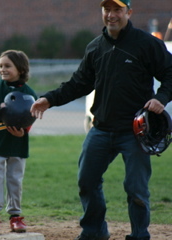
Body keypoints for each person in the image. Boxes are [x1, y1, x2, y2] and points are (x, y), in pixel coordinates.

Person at [30, 0, 172, 240]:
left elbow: (170, 74)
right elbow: (78, 84)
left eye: (118, 9)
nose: (111, 15)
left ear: (129, 12)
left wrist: (162, 97)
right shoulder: (95, 47)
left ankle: (139, 235)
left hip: (135, 131)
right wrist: (49, 99)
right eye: (107, 9)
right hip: (101, 129)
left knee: (136, 188)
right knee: (87, 180)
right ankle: (94, 231)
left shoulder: (147, 44)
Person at [0, 50, 37, 233]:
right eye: (0, 66)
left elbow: (31, 116)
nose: (2, 69)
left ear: (20, 68)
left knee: (15, 180)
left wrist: (24, 132)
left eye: (7, 66)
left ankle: (15, 216)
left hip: (18, 144)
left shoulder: (28, 93)